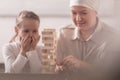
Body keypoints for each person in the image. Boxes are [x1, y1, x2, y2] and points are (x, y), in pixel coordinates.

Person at [56, 0, 120, 79]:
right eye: (74, 13)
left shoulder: (112, 37)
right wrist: (58, 68)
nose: (78, 18)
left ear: (95, 12)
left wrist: (81, 65)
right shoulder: (64, 33)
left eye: (84, 13)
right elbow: (55, 65)